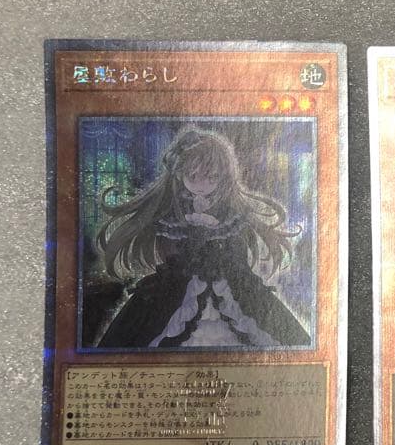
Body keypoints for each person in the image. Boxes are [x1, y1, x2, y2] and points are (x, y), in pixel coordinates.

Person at [94, 128, 310, 348]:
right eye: (193, 176)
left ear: (223, 178)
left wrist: (217, 246)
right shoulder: (171, 217)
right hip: (175, 291)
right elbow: (174, 257)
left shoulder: (232, 215)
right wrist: (195, 237)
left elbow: (238, 258)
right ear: (179, 175)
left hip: (232, 290)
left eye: (211, 177)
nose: (202, 184)